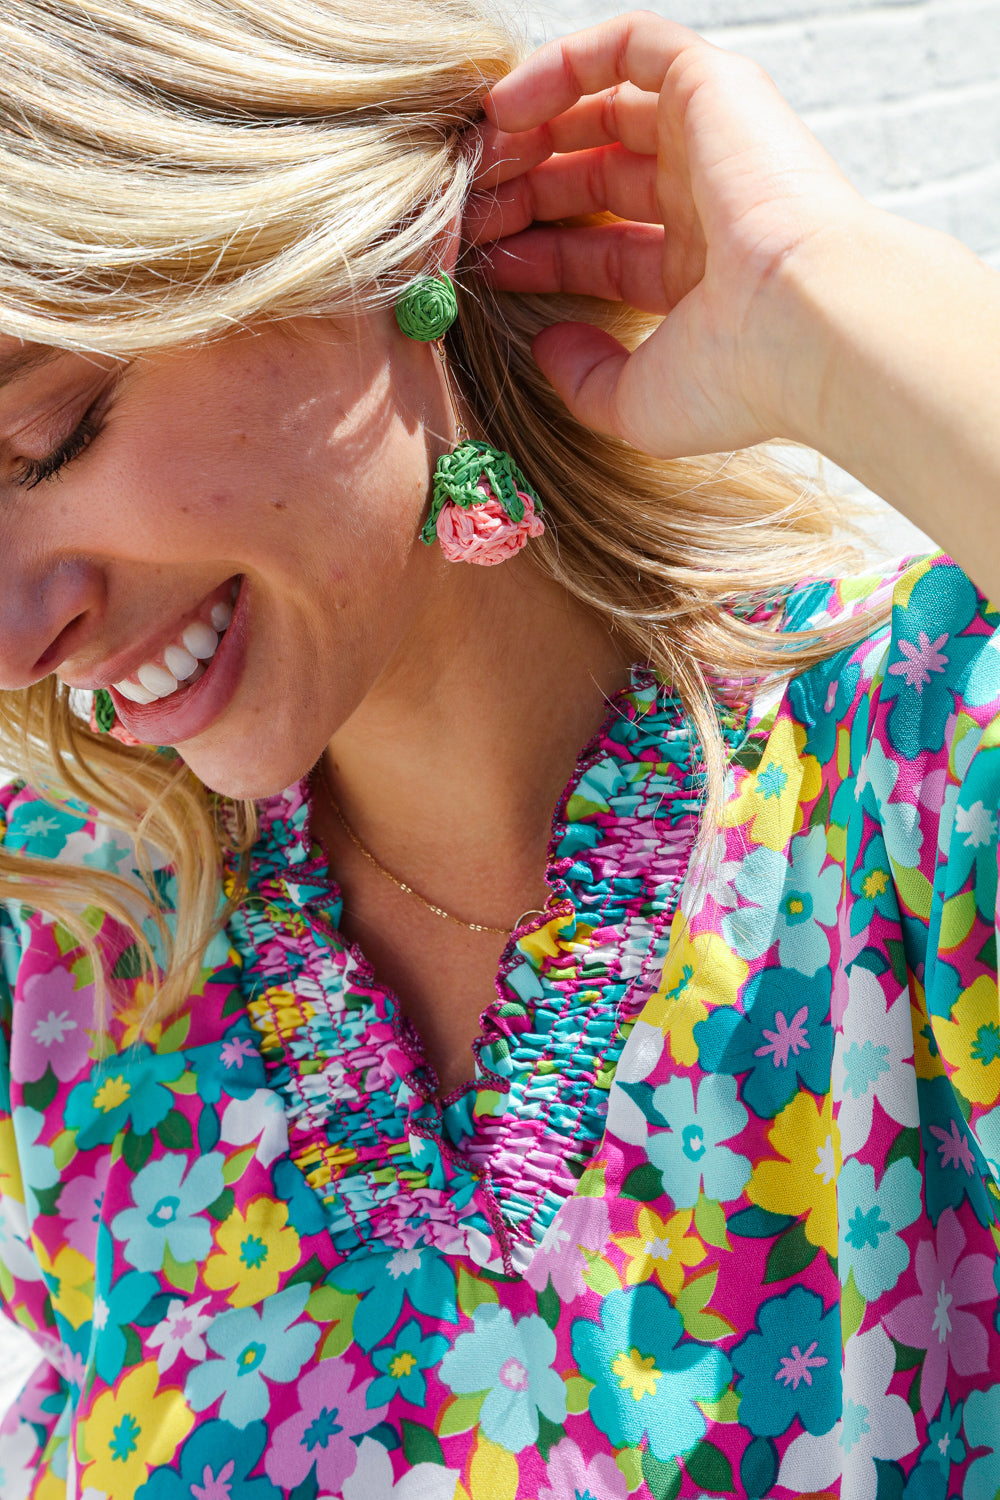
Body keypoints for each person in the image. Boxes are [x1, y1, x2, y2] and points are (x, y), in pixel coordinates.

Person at [0, 1, 999, 1495]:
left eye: (49, 441)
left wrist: (818, 292)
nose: (21, 643)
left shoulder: (905, 770)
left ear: (373, 249)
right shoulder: (87, 961)